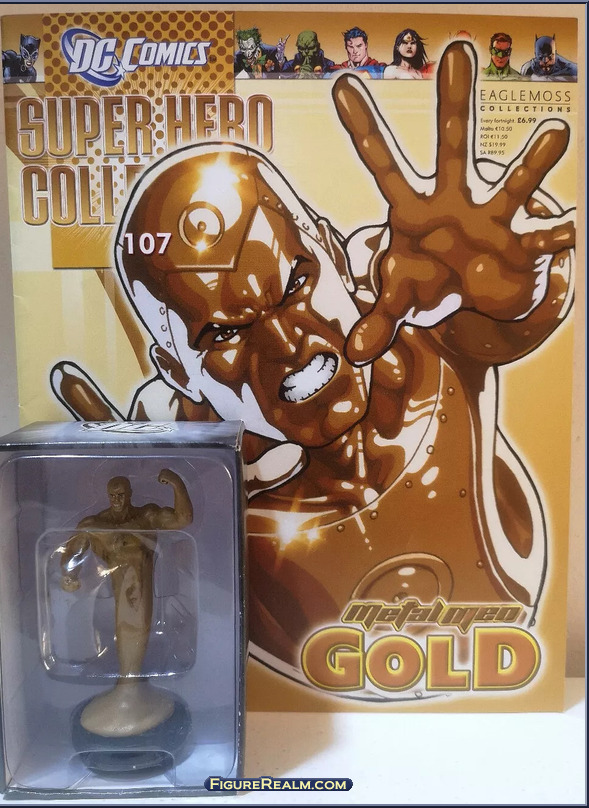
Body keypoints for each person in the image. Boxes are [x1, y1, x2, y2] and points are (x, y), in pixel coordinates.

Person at [52, 42, 575, 670]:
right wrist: (143, 520)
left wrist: (513, 277)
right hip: (302, 704)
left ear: (331, 247)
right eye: (223, 335)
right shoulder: (206, 477)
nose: (286, 343)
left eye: (297, 281)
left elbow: (510, 314)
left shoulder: (415, 315)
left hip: (505, 664)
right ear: (177, 372)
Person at [60, 470, 193, 736]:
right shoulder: (96, 525)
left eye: (121, 495)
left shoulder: (146, 517)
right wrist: (69, 575)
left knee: (139, 629)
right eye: (112, 495)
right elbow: (73, 550)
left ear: (130, 494)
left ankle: (130, 688)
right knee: (124, 630)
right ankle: (127, 688)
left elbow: (182, 519)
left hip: (143, 586)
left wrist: (176, 483)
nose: (117, 500)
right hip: (116, 591)